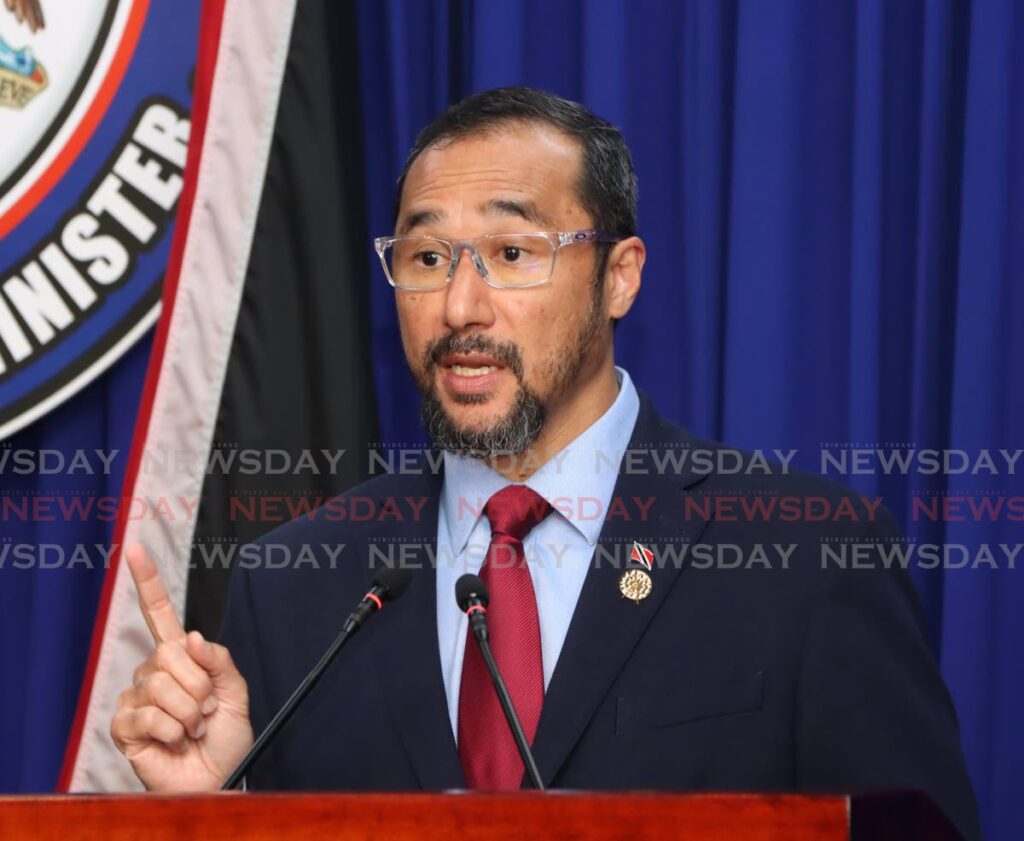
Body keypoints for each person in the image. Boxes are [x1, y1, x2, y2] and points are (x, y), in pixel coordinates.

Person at [110, 87, 980, 840]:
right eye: (425, 258)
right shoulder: (301, 581)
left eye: (512, 254)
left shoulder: (804, 556)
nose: (459, 305)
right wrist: (209, 811)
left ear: (620, 277)